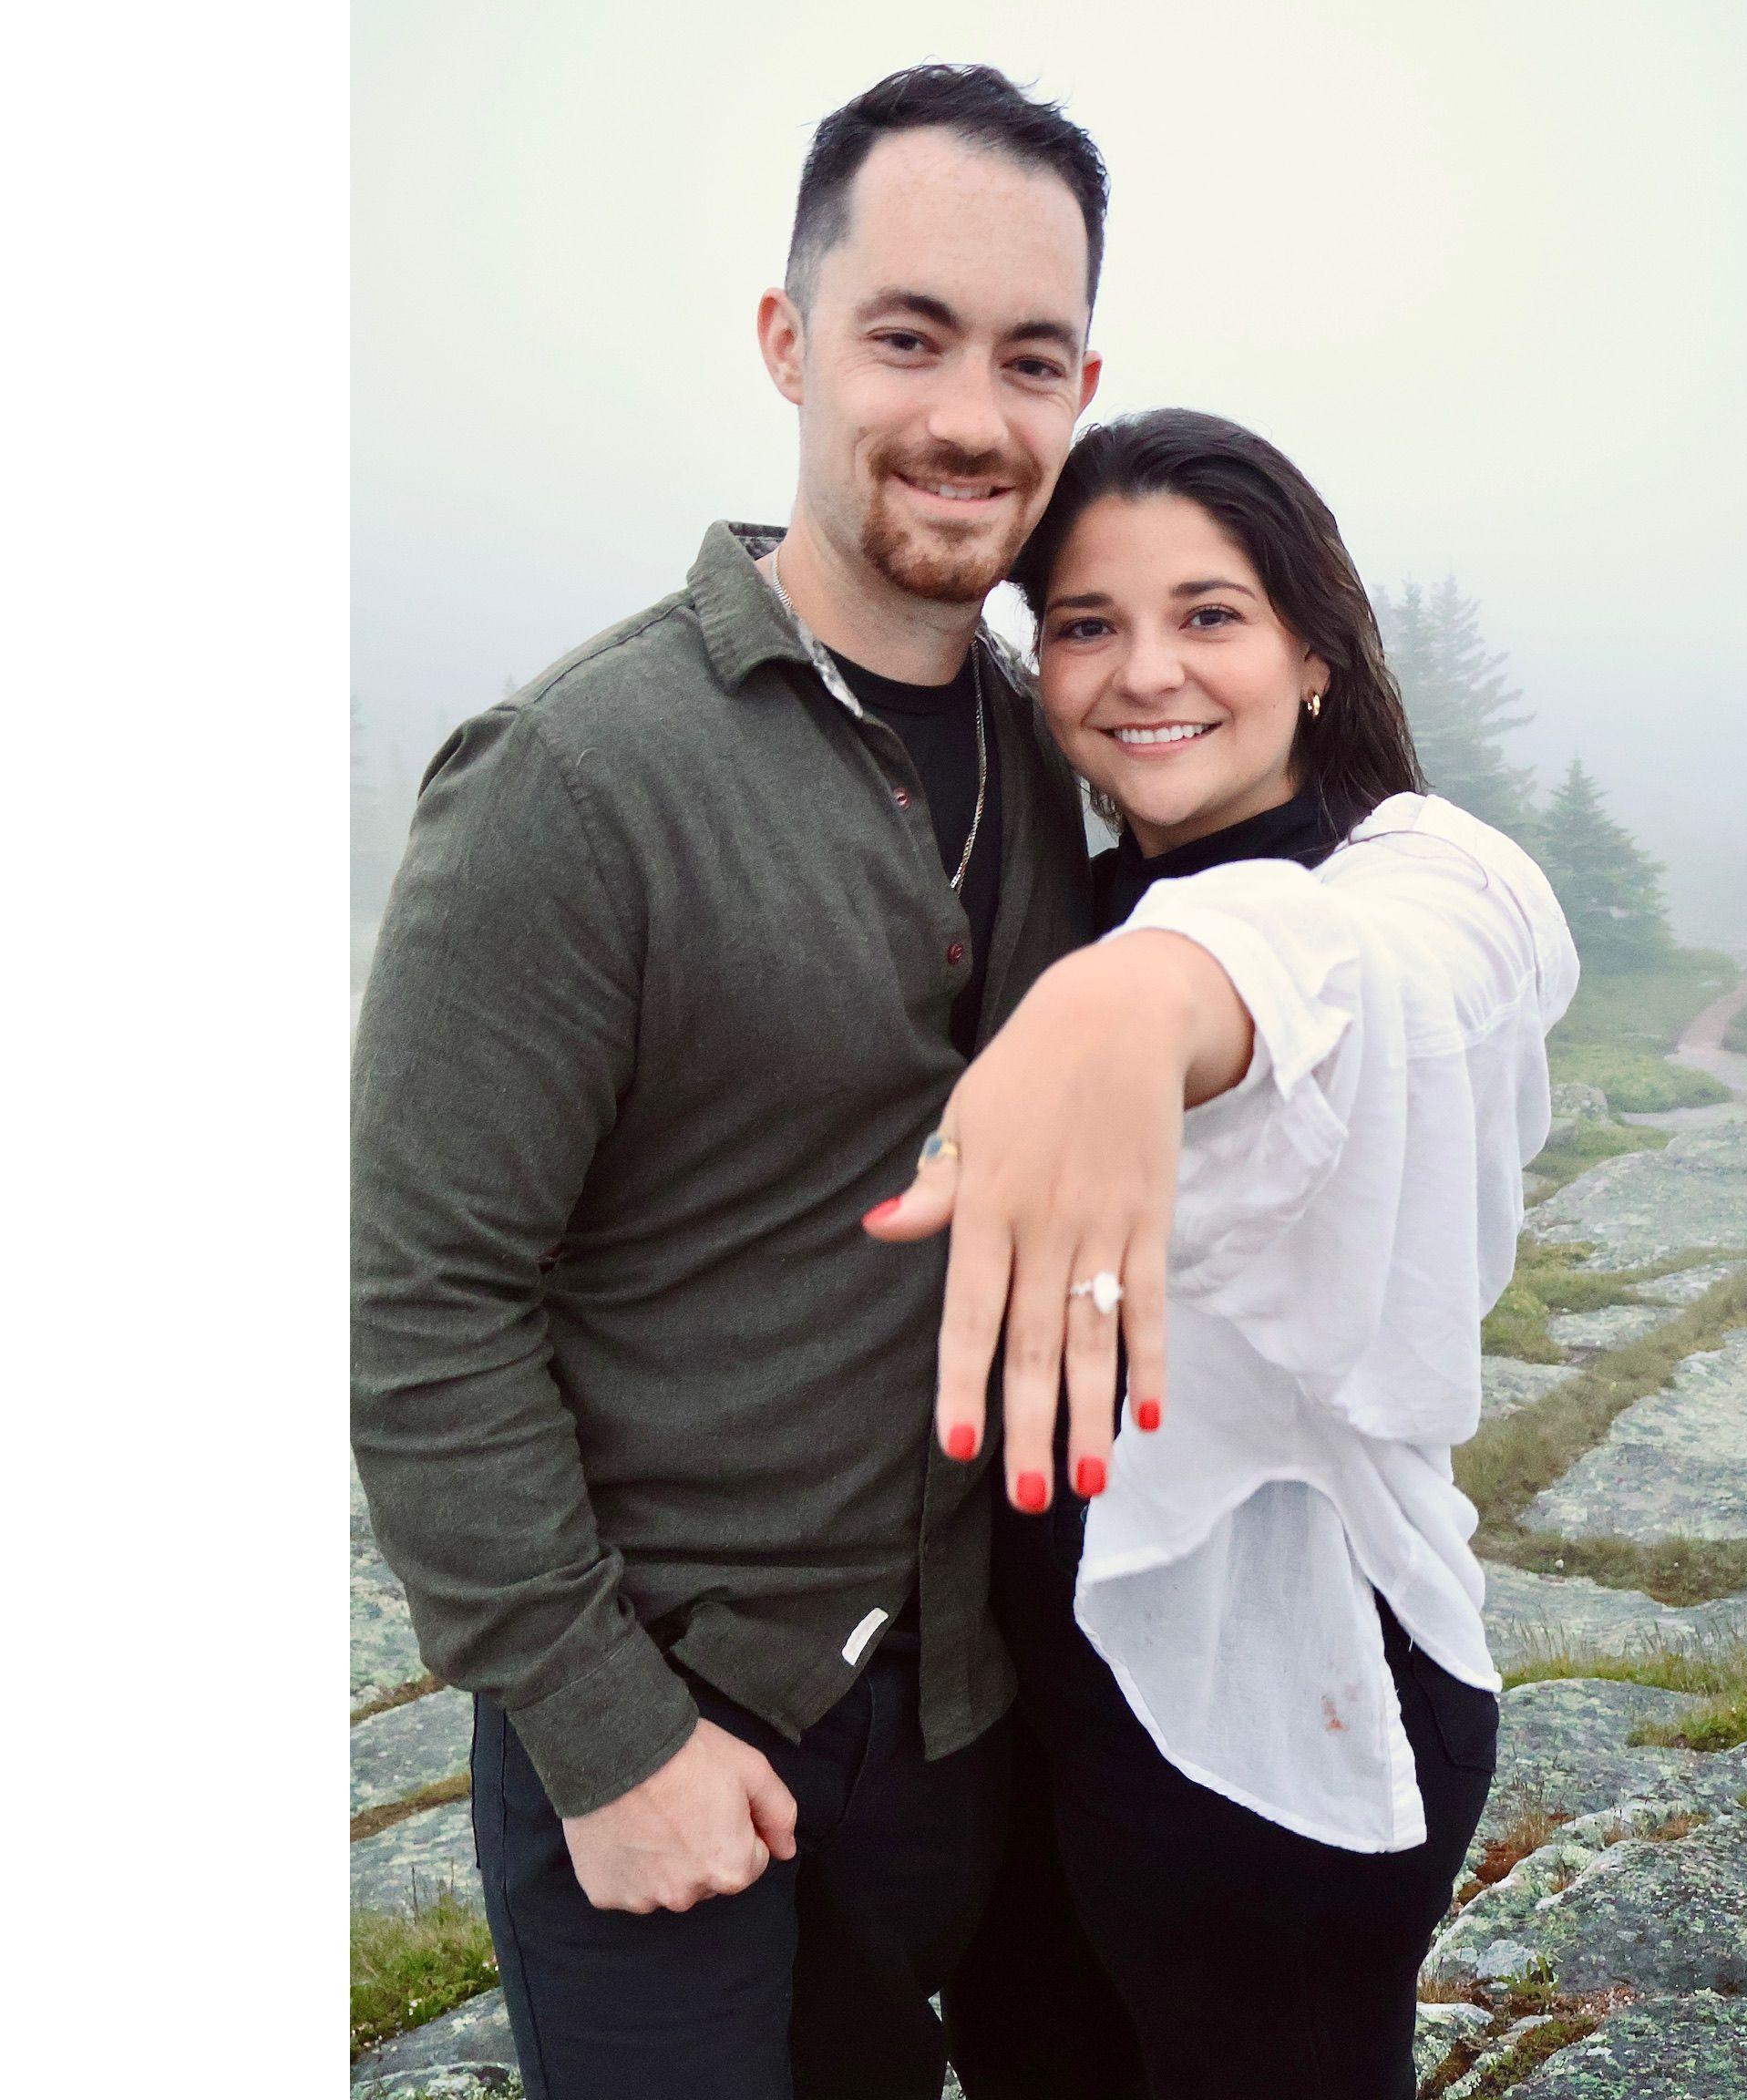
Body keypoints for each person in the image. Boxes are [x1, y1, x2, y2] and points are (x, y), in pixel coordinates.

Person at [350, 65, 1108, 2100]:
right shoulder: (573, 781)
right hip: (669, 1743)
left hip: (970, 1724)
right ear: (788, 344)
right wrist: (607, 1742)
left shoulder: (1066, 765)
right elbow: (420, 1305)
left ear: (1084, 383)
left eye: (1030, 358)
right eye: (909, 336)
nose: (971, 413)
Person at [868, 409, 1582, 2099]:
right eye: (1090, 626)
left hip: (1288, 1704)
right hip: (1035, 1700)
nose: (1143, 671)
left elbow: (1372, 965)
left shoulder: (1417, 877)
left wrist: (1148, 993)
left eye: (1210, 614)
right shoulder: (1077, 900)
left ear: (1315, 651)